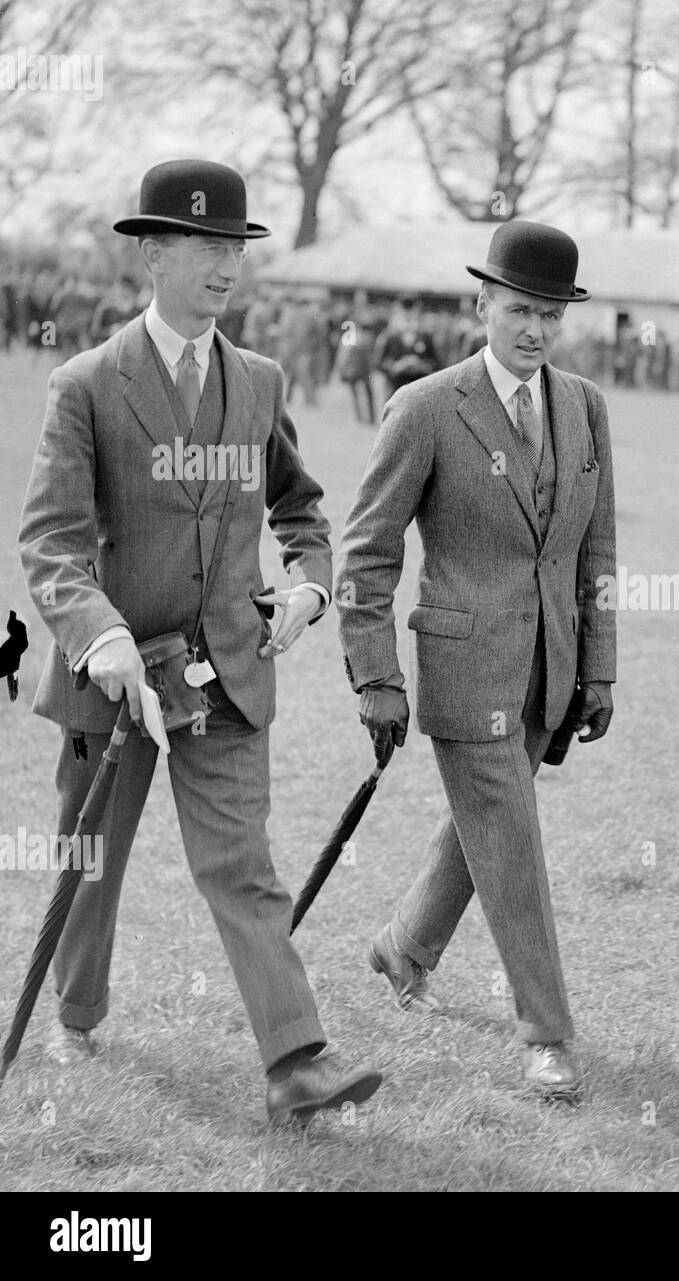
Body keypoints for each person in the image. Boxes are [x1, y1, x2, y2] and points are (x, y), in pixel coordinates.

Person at [18, 159, 381, 1125]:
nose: (226, 265)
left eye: (235, 247)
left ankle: (296, 1060)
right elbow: (50, 541)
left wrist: (306, 580)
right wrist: (99, 640)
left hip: (225, 673)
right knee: (92, 862)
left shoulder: (258, 384)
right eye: (206, 246)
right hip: (118, 680)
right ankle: (78, 1007)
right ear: (151, 255)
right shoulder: (85, 385)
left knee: (242, 865)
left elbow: (301, 506)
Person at [336, 221, 617, 1096]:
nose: (534, 329)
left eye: (551, 315)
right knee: (513, 836)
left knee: (486, 828)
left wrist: (599, 666)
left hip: (553, 669)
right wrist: (377, 676)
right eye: (520, 309)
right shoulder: (424, 407)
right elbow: (368, 552)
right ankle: (547, 1034)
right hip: (464, 671)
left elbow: (595, 550)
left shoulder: (583, 405)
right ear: (483, 304)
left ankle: (403, 946)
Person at [375, 299, 439, 395]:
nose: (408, 315)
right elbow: (379, 362)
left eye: (412, 311)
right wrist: (396, 366)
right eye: (404, 311)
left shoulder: (425, 336)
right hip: (395, 390)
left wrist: (420, 365)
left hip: (419, 390)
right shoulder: (390, 335)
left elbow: (435, 362)